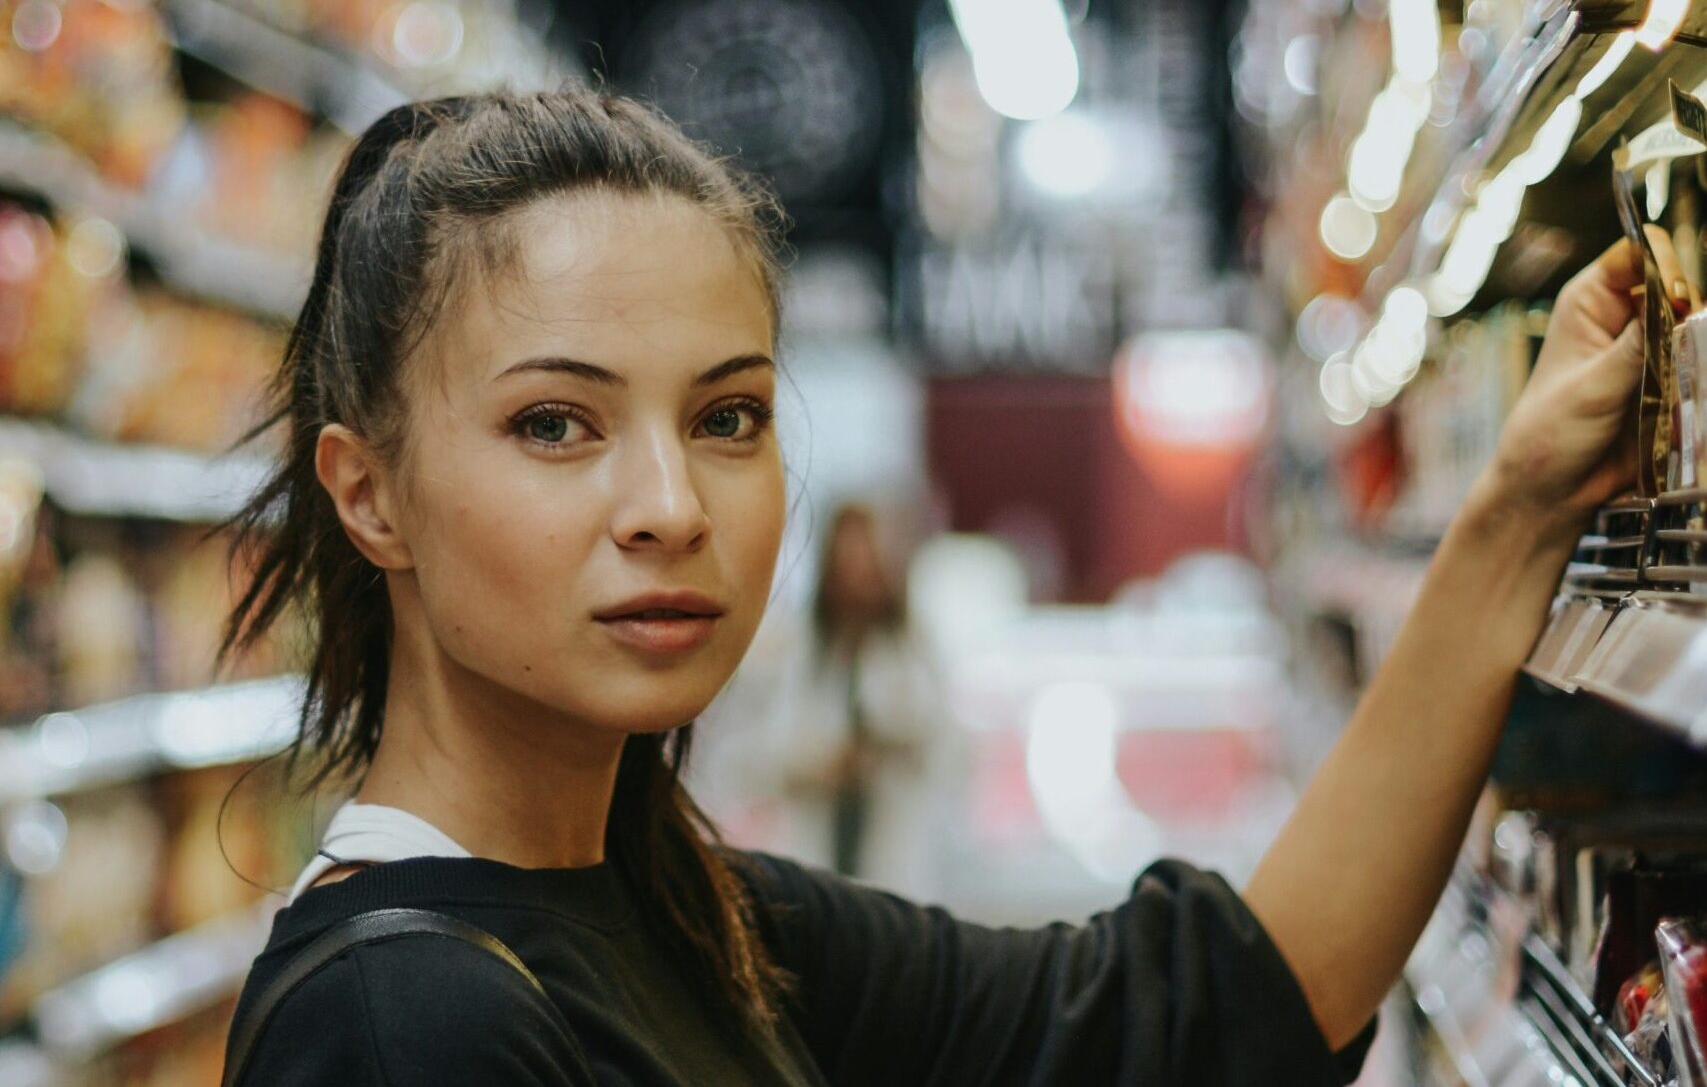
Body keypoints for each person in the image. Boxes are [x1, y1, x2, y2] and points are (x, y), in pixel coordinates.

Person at [215, 89, 1656, 1086]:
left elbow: (1211, 1013)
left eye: (726, 417)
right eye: (554, 424)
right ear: (368, 492)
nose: (666, 507)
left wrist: (1518, 509)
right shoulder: (405, 1024)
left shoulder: (691, 914)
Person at [742, 502, 946, 896]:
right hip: (815, 847)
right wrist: (821, 762)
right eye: (847, 562)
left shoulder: (912, 649)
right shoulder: (798, 652)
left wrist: (889, 744)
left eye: (867, 562)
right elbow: (755, 755)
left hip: (895, 850)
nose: (857, 577)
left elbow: (947, 747)